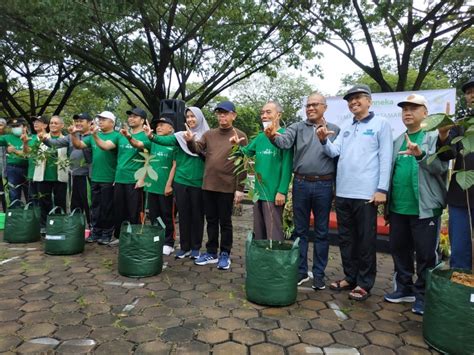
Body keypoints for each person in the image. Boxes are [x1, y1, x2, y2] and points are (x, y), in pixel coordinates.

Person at [316, 84, 393, 301]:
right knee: (346, 238)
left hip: (367, 194)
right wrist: (323, 140)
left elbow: (386, 158)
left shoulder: (381, 124)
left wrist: (381, 189)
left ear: (369, 101)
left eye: (358, 97)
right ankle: (350, 276)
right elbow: (334, 151)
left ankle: (364, 283)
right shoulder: (346, 126)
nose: (353, 102)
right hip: (343, 192)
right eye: (350, 99)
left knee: (366, 240)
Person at [265, 93, 339, 290]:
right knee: (300, 230)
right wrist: (273, 138)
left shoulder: (335, 129)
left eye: (315, 105)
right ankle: (300, 271)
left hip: (324, 185)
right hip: (301, 183)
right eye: (308, 105)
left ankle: (319, 274)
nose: (310, 108)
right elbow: (284, 143)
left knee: (322, 232)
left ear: (325, 107)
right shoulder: (297, 127)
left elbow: (337, 155)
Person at [383, 94, 448, 315]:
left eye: (413, 108)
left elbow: (441, 168)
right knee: (399, 250)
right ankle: (404, 288)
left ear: (425, 113)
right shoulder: (397, 140)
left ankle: (423, 296)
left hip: (425, 208)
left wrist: (420, 155)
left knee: (426, 255)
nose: (407, 112)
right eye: (404, 109)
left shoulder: (433, 137)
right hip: (398, 207)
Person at [184, 101, 248, 270]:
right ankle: (211, 252)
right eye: (219, 113)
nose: (222, 116)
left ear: (233, 115)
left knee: (225, 222)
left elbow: (243, 164)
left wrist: (240, 189)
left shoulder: (240, 135)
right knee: (211, 220)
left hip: (227, 186)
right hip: (208, 185)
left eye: (225, 113)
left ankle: (225, 253)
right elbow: (197, 149)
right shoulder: (209, 134)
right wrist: (191, 141)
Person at [147, 107, 209, 259]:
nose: (190, 119)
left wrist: (192, 142)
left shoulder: (208, 136)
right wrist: (151, 136)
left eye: (193, 116)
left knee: (197, 216)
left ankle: (195, 247)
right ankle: (184, 247)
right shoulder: (180, 136)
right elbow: (165, 140)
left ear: (200, 118)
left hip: (198, 182)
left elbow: (209, 157)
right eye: (187, 117)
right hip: (181, 181)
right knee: (183, 215)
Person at [233, 101, 293, 242]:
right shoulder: (260, 137)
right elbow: (245, 153)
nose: (264, 116)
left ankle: (275, 261)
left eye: (268, 112)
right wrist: (236, 146)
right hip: (258, 193)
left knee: (274, 232)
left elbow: (287, 166)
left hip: (273, 194)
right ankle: (261, 260)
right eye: (262, 113)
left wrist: (282, 191)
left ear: (278, 115)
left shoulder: (285, 136)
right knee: (259, 232)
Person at [91, 107, 150, 243]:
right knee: (119, 211)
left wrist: (142, 178)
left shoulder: (146, 136)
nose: (131, 118)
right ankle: (121, 237)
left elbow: (148, 159)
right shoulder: (120, 135)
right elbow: (105, 146)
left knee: (134, 212)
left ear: (142, 120)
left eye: (135, 117)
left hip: (134, 180)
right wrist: (94, 135)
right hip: (119, 179)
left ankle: (135, 238)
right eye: (130, 116)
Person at [124, 117, 177, 255]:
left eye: (162, 125)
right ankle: (157, 239)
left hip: (164, 187)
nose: (158, 127)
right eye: (157, 125)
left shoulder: (174, 143)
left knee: (167, 215)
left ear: (171, 128)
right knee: (154, 215)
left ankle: (169, 242)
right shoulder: (152, 142)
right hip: (151, 186)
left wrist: (169, 184)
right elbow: (139, 146)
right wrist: (129, 137)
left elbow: (175, 165)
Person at [437, 77, 474, 270]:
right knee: (460, 251)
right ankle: (460, 296)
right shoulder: (460, 125)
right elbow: (447, 155)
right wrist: (443, 134)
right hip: (462, 198)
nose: (472, 95)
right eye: (469, 92)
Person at [71, 111, 119, 244]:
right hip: (95, 176)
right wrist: (73, 134)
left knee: (107, 207)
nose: (100, 121)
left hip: (109, 177)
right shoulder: (92, 136)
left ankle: (107, 233)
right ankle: (95, 232)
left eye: (104, 119)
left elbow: (105, 146)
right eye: (99, 119)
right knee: (95, 206)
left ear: (112, 122)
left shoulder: (116, 136)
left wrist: (95, 136)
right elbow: (78, 145)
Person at [40, 113, 93, 226]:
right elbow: (55, 143)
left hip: (88, 175)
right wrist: (44, 139)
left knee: (89, 203)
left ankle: (93, 228)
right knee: (75, 204)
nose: (78, 123)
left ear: (89, 123)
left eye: (81, 121)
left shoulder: (93, 137)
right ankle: (76, 228)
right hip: (74, 175)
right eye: (76, 121)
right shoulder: (71, 136)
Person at [31, 115, 69, 229]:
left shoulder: (66, 139)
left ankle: (59, 225)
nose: (53, 125)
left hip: (60, 176)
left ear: (62, 125)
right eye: (51, 123)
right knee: (44, 202)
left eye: (56, 123)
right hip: (43, 175)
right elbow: (31, 152)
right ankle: (44, 226)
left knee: (60, 202)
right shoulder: (41, 138)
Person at [0, 118, 29, 207]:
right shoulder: (7, 137)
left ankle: (30, 217)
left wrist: (14, 150)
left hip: (29, 169)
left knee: (30, 195)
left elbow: (27, 154)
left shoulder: (33, 138)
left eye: (17, 126)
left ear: (25, 127)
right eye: (13, 127)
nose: (15, 128)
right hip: (12, 169)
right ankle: (15, 217)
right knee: (14, 195)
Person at [24, 116, 49, 205]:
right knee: (33, 201)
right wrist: (25, 142)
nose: (35, 123)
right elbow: (27, 153)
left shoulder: (49, 137)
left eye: (39, 121)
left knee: (45, 201)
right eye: (34, 122)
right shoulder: (31, 138)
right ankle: (35, 219)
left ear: (45, 125)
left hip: (45, 176)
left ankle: (47, 219)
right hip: (32, 174)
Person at [0, 118, 8, 210]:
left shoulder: (8, 138)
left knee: (6, 195)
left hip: (6, 171)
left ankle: (7, 214)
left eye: (1, 125)